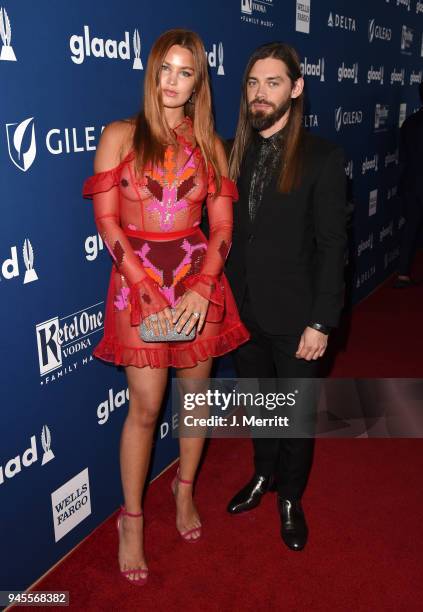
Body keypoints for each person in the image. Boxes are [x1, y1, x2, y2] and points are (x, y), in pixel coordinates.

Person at [82, 29, 249, 585]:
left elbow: (222, 224)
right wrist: (143, 283)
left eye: (186, 73)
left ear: (199, 82)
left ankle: (183, 493)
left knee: (196, 398)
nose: (173, 83)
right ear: (151, 72)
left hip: (198, 277)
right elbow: (107, 221)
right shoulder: (120, 135)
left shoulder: (211, 145)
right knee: (146, 408)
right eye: (165, 70)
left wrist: (204, 285)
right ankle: (131, 521)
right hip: (139, 280)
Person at [225, 42, 347, 550]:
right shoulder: (233, 150)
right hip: (244, 310)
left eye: (273, 83)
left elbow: (333, 244)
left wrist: (321, 321)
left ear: (296, 89)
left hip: (297, 316)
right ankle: (262, 475)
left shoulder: (322, 157)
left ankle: (290, 497)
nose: (260, 94)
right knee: (259, 405)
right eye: (253, 83)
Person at [394, 82, 423, 288]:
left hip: (412, 183)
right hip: (413, 182)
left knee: (410, 228)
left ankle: (402, 273)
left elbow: (403, 154)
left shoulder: (409, 123)